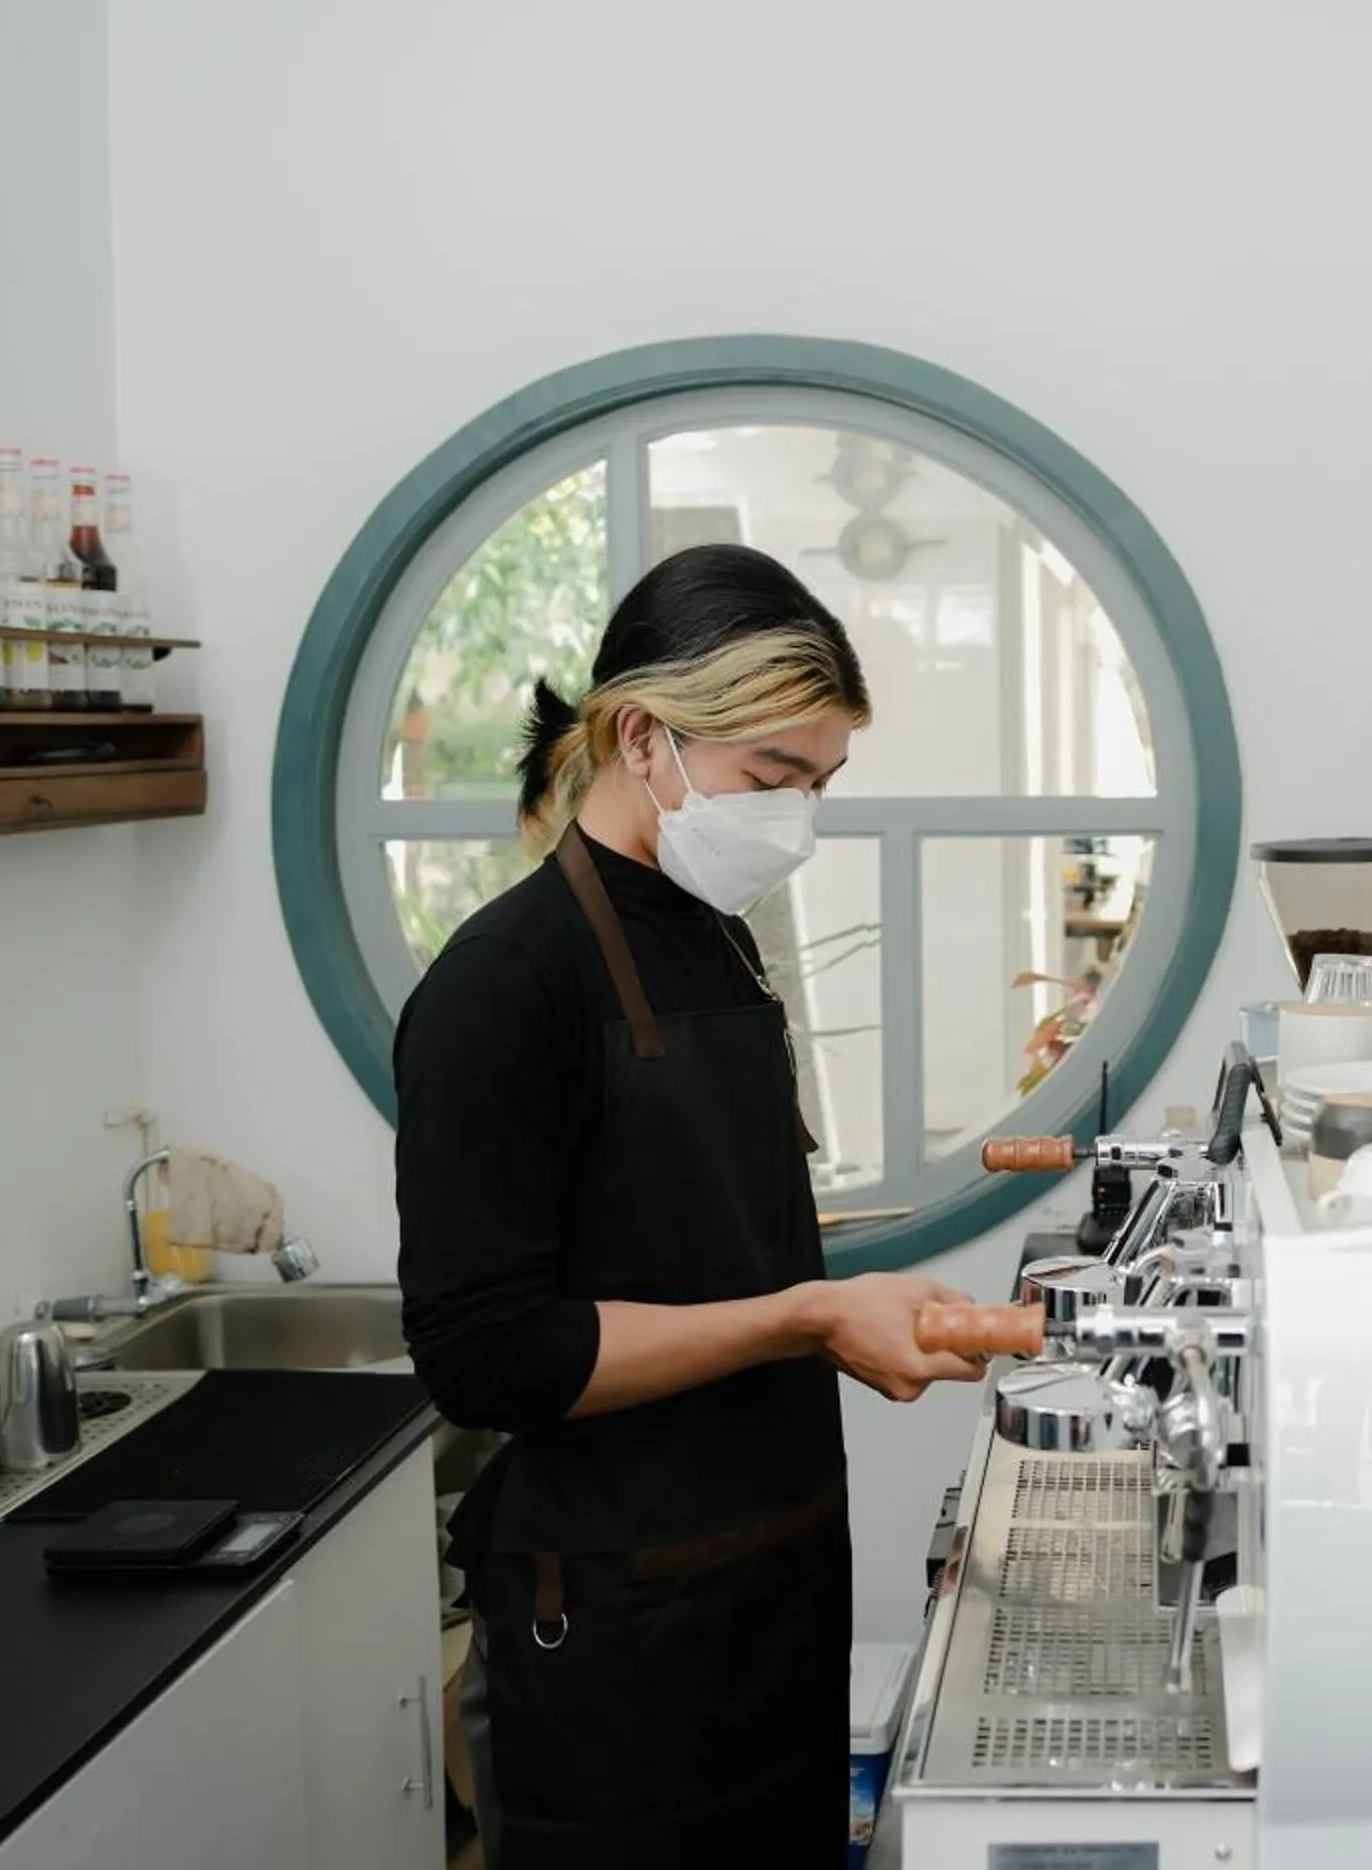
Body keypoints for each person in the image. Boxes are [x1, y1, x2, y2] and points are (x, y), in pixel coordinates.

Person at [395, 545, 984, 1865]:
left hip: (774, 1586)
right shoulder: (502, 987)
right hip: (614, 1630)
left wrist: (848, 1305)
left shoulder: (717, 939)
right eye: (771, 778)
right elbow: (488, 1356)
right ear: (642, 737)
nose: (797, 818)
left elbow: (709, 1230)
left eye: (820, 784)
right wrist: (807, 1318)